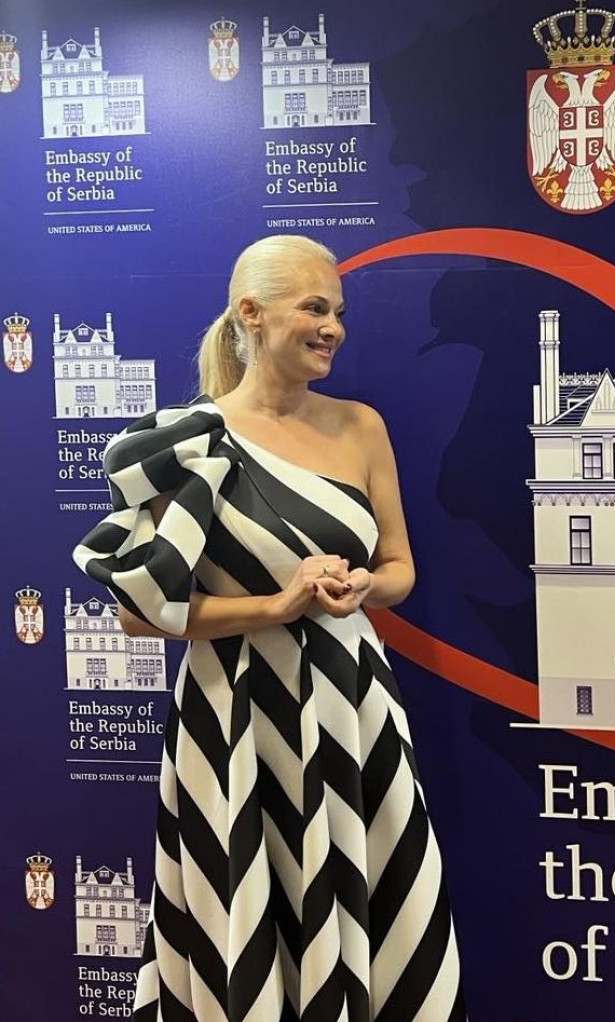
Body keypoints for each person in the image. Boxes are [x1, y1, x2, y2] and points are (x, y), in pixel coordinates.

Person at [73, 235, 466, 1022]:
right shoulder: (184, 443)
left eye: (339, 312)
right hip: (233, 718)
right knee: (242, 915)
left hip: (352, 709)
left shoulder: (361, 427)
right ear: (251, 314)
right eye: (315, 308)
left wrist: (365, 585)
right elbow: (138, 612)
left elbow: (399, 567)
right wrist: (275, 607)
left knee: (373, 908)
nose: (334, 328)